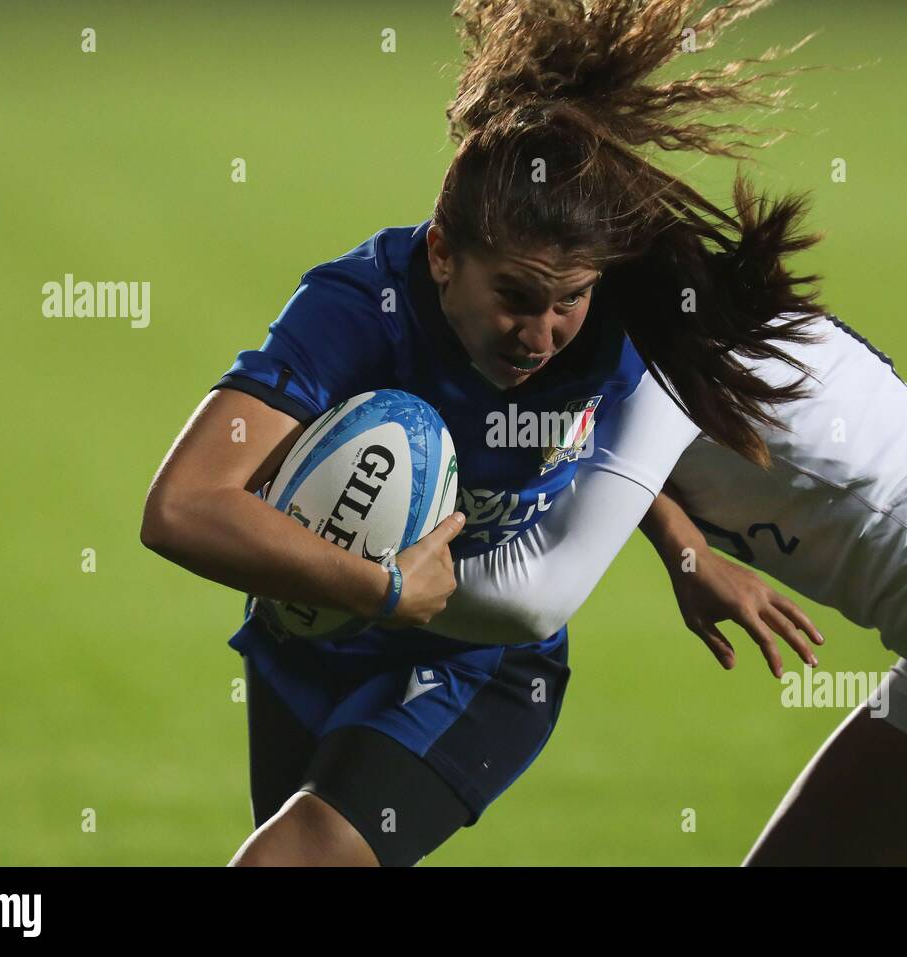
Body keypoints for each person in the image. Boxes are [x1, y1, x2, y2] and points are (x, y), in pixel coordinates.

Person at [139, 0, 824, 866]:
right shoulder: (356, 310)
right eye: (515, 297)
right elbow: (182, 507)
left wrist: (683, 548)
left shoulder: (613, 318)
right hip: (311, 633)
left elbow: (596, 439)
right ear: (439, 255)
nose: (540, 336)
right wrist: (378, 588)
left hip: (478, 665)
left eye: (566, 300)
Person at [456, 311, 907, 865]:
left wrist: (376, 587)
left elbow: (535, 595)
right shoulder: (698, 327)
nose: (537, 322)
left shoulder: (658, 380)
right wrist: (684, 543)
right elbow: (614, 448)